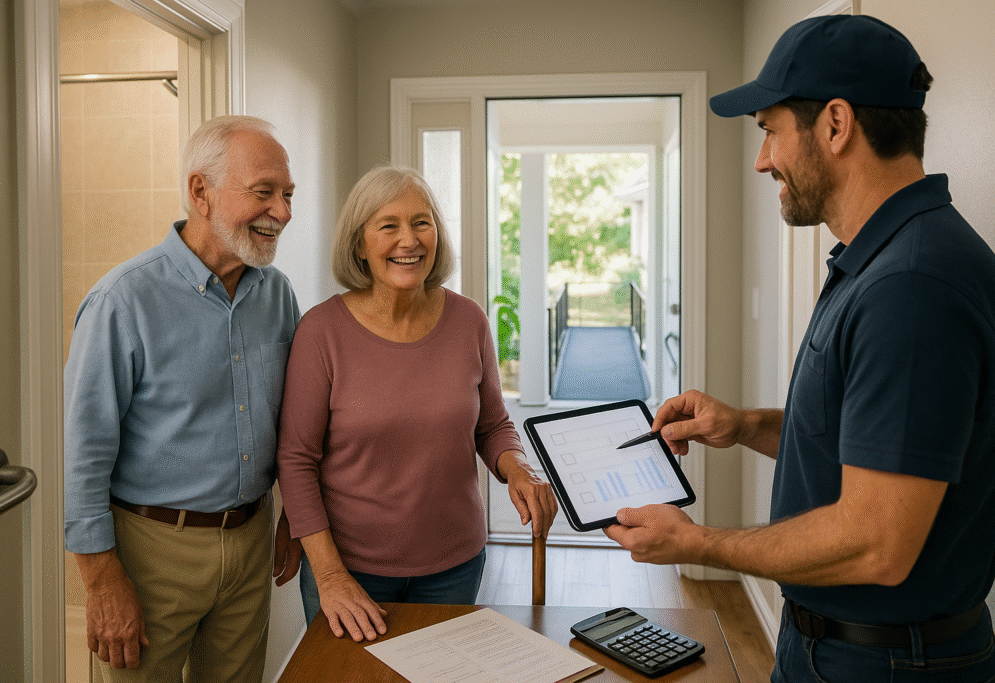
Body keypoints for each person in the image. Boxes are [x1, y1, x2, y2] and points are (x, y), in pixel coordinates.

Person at [603, 15, 995, 683]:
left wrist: (698, 543)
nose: (762, 160)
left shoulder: (911, 284)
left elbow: (878, 543)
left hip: (883, 663)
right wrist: (744, 425)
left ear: (836, 125)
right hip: (851, 649)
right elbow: (876, 445)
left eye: (769, 131)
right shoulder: (882, 262)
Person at [64, 115, 304, 682]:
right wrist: (101, 581)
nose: (284, 213)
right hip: (151, 552)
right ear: (201, 191)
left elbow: (295, 418)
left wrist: (294, 516)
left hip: (250, 544)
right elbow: (83, 451)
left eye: (288, 195)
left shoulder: (277, 294)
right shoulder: (123, 300)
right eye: (264, 193)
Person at [276, 165, 557, 642]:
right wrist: (330, 576)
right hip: (350, 571)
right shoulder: (321, 332)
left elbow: (492, 426)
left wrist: (518, 470)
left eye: (421, 222)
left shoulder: (468, 320)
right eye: (388, 225)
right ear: (359, 244)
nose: (409, 240)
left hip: (456, 566)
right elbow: (297, 460)